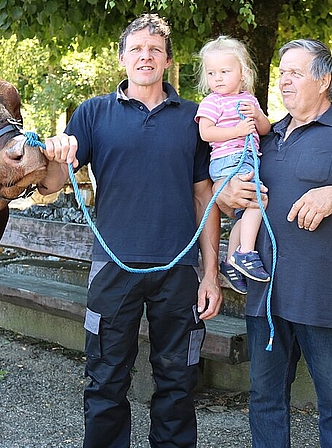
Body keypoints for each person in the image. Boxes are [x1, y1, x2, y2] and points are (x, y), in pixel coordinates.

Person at [37, 13, 223, 448]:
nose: (146, 56)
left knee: (179, 382)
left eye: (155, 50)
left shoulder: (195, 120)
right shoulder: (93, 113)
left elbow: (205, 198)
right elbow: (50, 184)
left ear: (167, 61)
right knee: (105, 381)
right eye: (137, 49)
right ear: (122, 58)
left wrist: (211, 274)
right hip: (113, 271)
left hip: (178, 274)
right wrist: (54, 154)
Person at [216, 39, 332, 447]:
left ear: (324, 80)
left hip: (327, 299)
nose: (284, 81)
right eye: (282, 72)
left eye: (295, 73)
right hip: (266, 298)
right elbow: (239, 201)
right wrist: (230, 195)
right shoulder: (264, 136)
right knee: (265, 401)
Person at [195, 36, 272, 294]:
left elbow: (264, 129)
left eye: (224, 72)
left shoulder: (249, 99)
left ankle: (231, 261)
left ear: (243, 73)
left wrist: (258, 116)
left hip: (249, 159)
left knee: (245, 211)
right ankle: (246, 252)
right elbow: (206, 133)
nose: (217, 78)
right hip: (227, 161)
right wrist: (237, 129)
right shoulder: (212, 102)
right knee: (258, 201)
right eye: (211, 73)